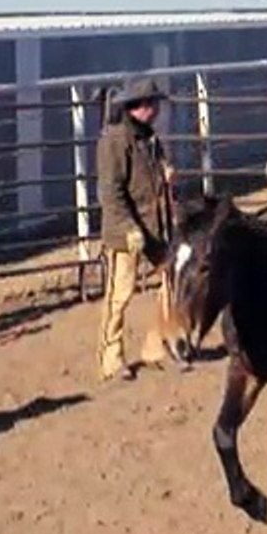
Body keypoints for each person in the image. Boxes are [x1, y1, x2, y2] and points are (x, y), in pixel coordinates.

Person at [96, 76, 173, 382]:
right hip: (126, 230)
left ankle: (156, 346)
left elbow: (153, 171)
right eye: (151, 104)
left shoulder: (148, 137)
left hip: (154, 225)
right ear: (138, 107)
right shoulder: (115, 142)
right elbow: (111, 192)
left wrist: (165, 171)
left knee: (171, 281)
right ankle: (110, 358)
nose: (155, 109)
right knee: (120, 294)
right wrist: (128, 227)